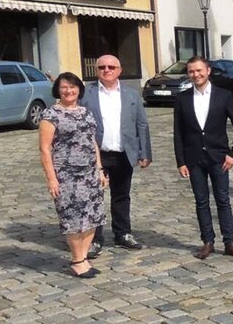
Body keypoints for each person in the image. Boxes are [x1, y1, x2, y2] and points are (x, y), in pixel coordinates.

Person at [173, 56, 233, 261]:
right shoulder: (182, 98)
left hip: (219, 157)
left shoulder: (223, 96)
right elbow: (178, 133)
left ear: (208, 71)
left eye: (199, 70)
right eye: (191, 71)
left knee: (223, 199)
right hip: (194, 158)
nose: (195, 75)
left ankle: (230, 242)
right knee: (201, 201)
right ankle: (208, 241)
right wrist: (180, 161)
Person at [39, 73, 108, 278]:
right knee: (73, 218)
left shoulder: (85, 112)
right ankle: (77, 260)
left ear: (79, 89)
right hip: (67, 176)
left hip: (90, 174)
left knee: (92, 216)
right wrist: (51, 178)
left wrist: (100, 169)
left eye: (73, 87)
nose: (69, 91)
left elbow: (92, 142)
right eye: (64, 88)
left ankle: (84, 257)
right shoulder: (51, 115)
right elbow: (44, 149)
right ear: (57, 90)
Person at [81, 54, 151, 256]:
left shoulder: (131, 94)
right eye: (102, 67)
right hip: (97, 154)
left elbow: (141, 124)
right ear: (97, 71)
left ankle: (122, 234)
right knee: (95, 198)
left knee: (121, 195)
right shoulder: (88, 94)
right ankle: (95, 239)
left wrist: (144, 152)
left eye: (111, 66)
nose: (107, 70)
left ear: (119, 70)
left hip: (123, 153)